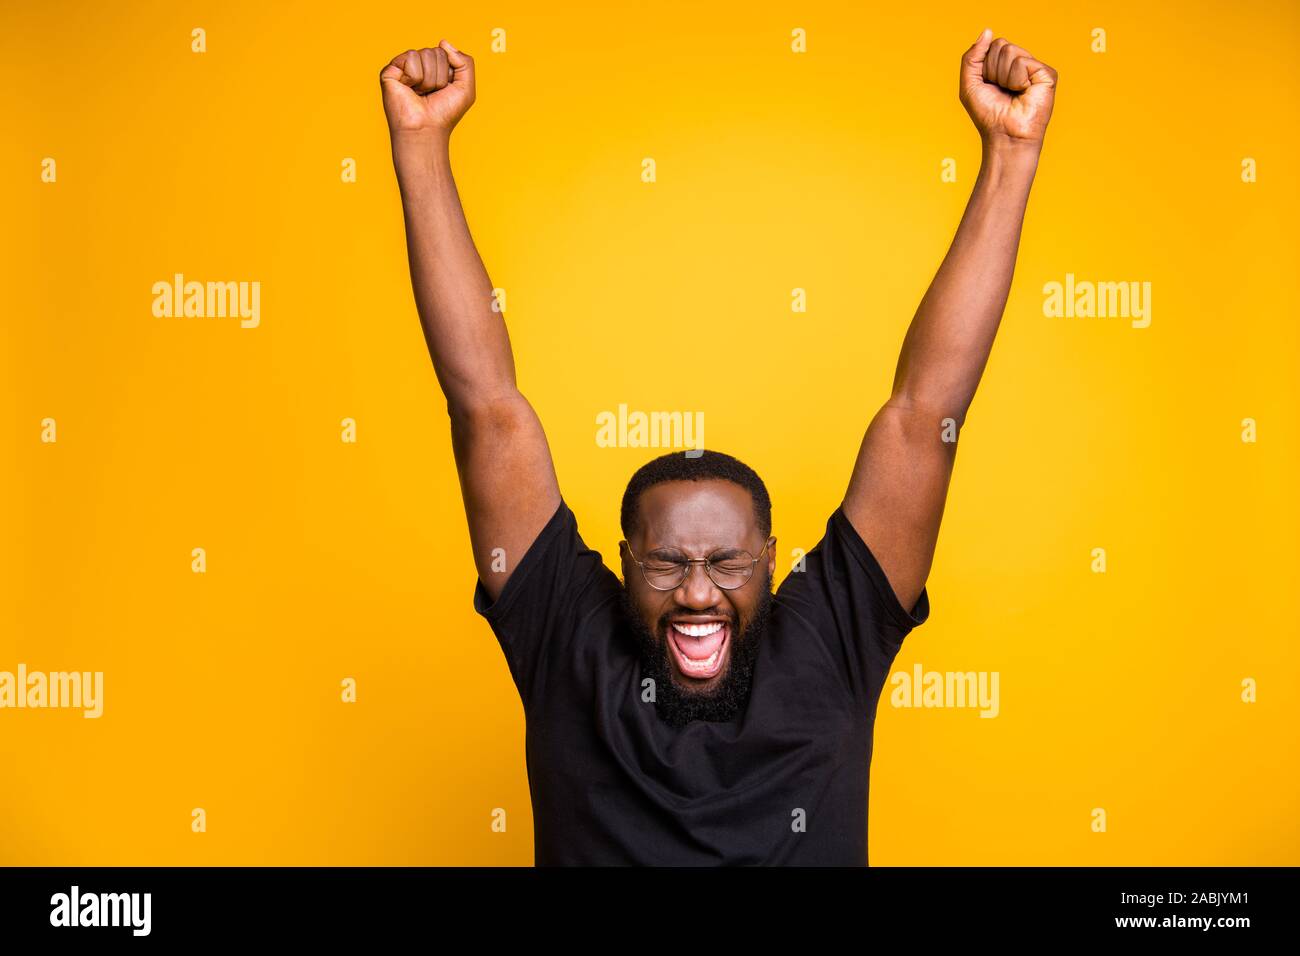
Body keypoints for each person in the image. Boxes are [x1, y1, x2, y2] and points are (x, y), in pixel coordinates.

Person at [379, 30, 1056, 864]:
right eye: (667, 563)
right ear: (625, 561)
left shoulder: (830, 640)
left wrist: (1011, 152)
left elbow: (925, 415)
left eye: (727, 563)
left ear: (772, 558)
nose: (698, 593)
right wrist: (419, 142)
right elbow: (487, 410)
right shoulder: (569, 638)